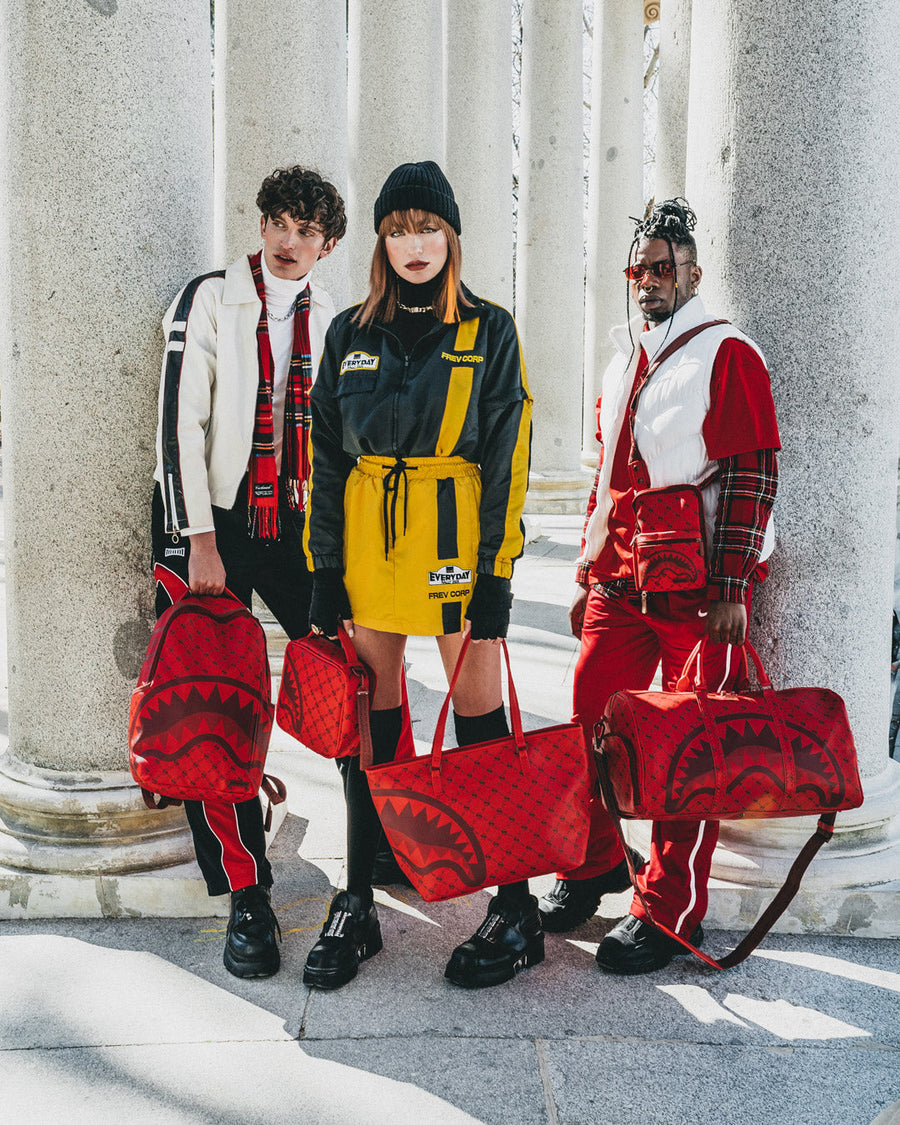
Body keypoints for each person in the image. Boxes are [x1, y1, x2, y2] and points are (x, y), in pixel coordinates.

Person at [302, 161, 535, 990]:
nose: (414, 244)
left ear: (451, 236)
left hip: (452, 536)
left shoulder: (488, 329)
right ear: (381, 241)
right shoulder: (349, 334)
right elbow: (325, 457)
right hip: (371, 538)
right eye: (399, 229)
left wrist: (496, 571)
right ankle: (360, 893)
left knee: (479, 715)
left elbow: (507, 455)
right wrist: (325, 566)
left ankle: (515, 904)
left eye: (427, 227)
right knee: (368, 716)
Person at [538, 198, 780, 974]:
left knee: (687, 750)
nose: (650, 279)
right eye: (640, 268)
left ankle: (669, 909)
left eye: (665, 267)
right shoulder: (623, 359)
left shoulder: (727, 352)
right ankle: (594, 864)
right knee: (587, 722)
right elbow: (605, 478)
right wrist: (586, 571)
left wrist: (732, 585)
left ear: (693, 274)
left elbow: (751, 471)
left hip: (698, 591)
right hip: (619, 584)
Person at [152, 165, 346, 979]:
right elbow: (179, 422)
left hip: (299, 524)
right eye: (280, 224)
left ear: (327, 245)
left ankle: (376, 852)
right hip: (216, 523)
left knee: (351, 674)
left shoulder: (335, 316)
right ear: (261, 224)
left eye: (308, 231)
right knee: (215, 710)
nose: (290, 241)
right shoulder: (209, 299)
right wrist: (198, 538)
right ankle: (246, 892)